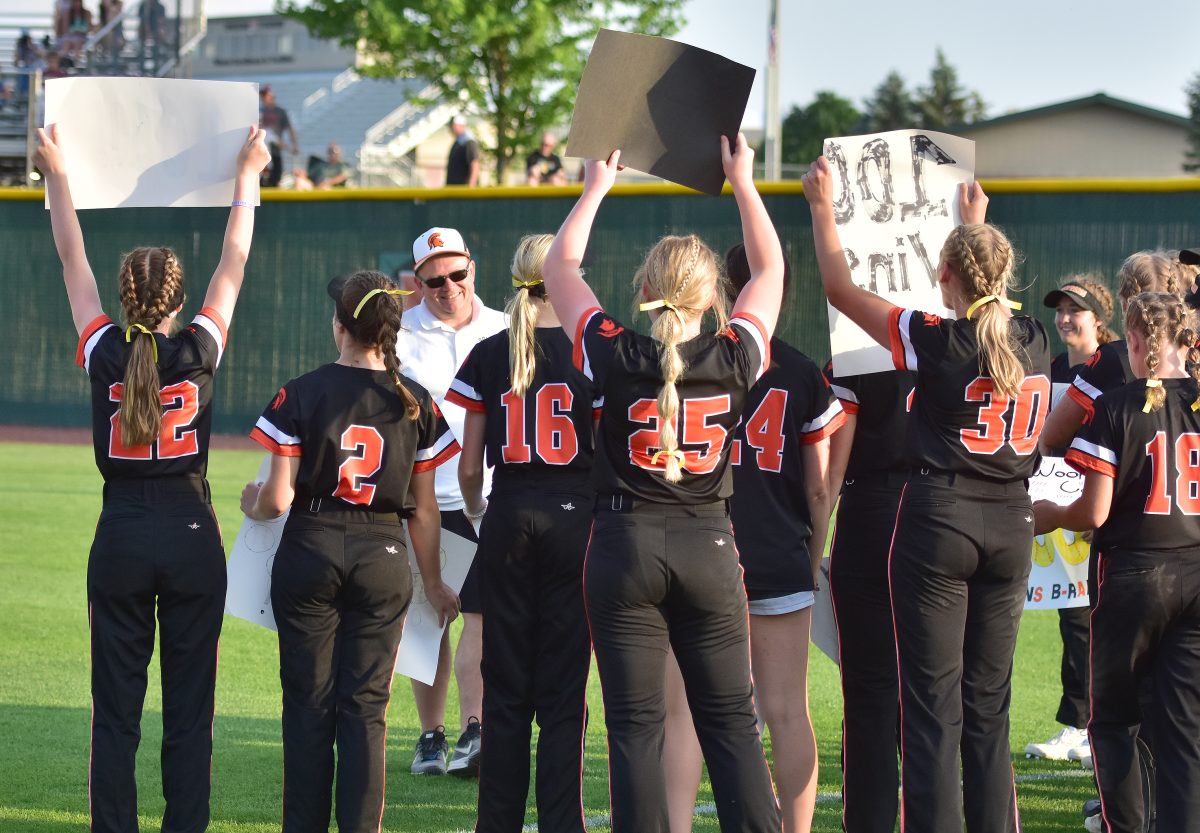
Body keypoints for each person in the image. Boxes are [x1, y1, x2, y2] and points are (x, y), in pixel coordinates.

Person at [542, 133, 785, 833]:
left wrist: (595, 187)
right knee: (732, 723)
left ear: (645, 292)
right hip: (709, 544)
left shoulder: (616, 350)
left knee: (634, 728)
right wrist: (742, 182)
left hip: (624, 543)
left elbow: (561, 263)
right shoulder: (737, 354)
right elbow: (770, 265)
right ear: (714, 298)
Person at [34, 123, 268, 833]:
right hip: (192, 533)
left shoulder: (104, 348)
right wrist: (248, 172)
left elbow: (71, 255)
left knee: (116, 713)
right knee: (190, 713)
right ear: (176, 297)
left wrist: (57, 173)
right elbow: (236, 252)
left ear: (126, 295)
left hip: (124, 531)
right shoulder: (198, 346)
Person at [806, 155, 1046, 833]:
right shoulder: (1036, 337)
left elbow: (839, 286)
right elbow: (987, 298)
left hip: (941, 519)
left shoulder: (936, 339)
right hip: (1011, 523)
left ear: (945, 275)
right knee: (987, 706)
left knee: (932, 705)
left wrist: (824, 208)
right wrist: (975, 229)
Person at [241, 270, 461, 833]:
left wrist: (252, 505)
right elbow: (426, 510)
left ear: (339, 325)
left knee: (308, 707)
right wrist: (433, 582)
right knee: (365, 710)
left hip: (311, 544)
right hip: (383, 551)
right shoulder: (416, 401)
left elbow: (278, 498)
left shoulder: (302, 390)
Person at [662, 242, 844, 833]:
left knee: (686, 713)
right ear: (777, 292)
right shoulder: (801, 373)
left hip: (698, 549)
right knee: (788, 711)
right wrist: (810, 555)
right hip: (777, 552)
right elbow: (819, 489)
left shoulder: (680, 361)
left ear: (719, 293)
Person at [445, 233, 599, 833]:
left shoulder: (490, 349)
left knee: (504, 688)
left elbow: (468, 465)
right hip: (575, 517)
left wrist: (484, 510)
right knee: (564, 690)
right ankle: (563, 822)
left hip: (509, 513)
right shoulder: (592, 351)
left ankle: (498, 822)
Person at [1034, 292, 1200, 833]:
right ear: (1188, 341)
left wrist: (1053, 513)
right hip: (1196, 573)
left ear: (1130, 341)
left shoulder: (1118, 406)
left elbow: (1094, 512)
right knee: (1182, 726)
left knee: (1113, 721)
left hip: (1133, 574)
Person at [397, 226, 508, 776]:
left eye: (456, 273)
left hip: (490, 496)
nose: (447, 287)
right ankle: (430, 736)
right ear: (417, 283)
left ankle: (475, 729)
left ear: (472, 265)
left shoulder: (505, 327)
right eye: (433, 280)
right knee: (426, 621)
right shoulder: (398, 335)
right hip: (424, 497)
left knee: (482, 617)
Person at [1023, 277, 1115, 766]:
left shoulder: (1117, 367)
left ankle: (1094, 724)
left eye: (1075, 310)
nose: (1064, 318)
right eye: (1060, 310)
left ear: (1100, 317)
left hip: (1104, 508)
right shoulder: (1053, 368)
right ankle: (1080, 722)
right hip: (1058, 508)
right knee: (1074, 617)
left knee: (1098, 618)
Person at [823, 358, 916, 833]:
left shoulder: (857, 352)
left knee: (869, 692)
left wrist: (813, 540)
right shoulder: (958, 340)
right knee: (946, 695)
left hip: (873, 511)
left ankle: (870, 822)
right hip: (942, 509)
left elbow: (831, 468)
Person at [259, 85, 298, 188]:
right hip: (261, 149)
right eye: (263, 96)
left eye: (265, 95)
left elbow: (290, 129)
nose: (263, 98)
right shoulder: (260, 112)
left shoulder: (280, 112)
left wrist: (295, 145)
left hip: (275, 150)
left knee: (276, 176)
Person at [446, 115, 480, 187]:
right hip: (455, 189)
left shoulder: (468, 142)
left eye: (452, 125)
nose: (450, 128)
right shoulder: (459, 142)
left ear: (460, 125)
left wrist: (471, 187)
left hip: (462, 190)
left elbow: (475, 164)